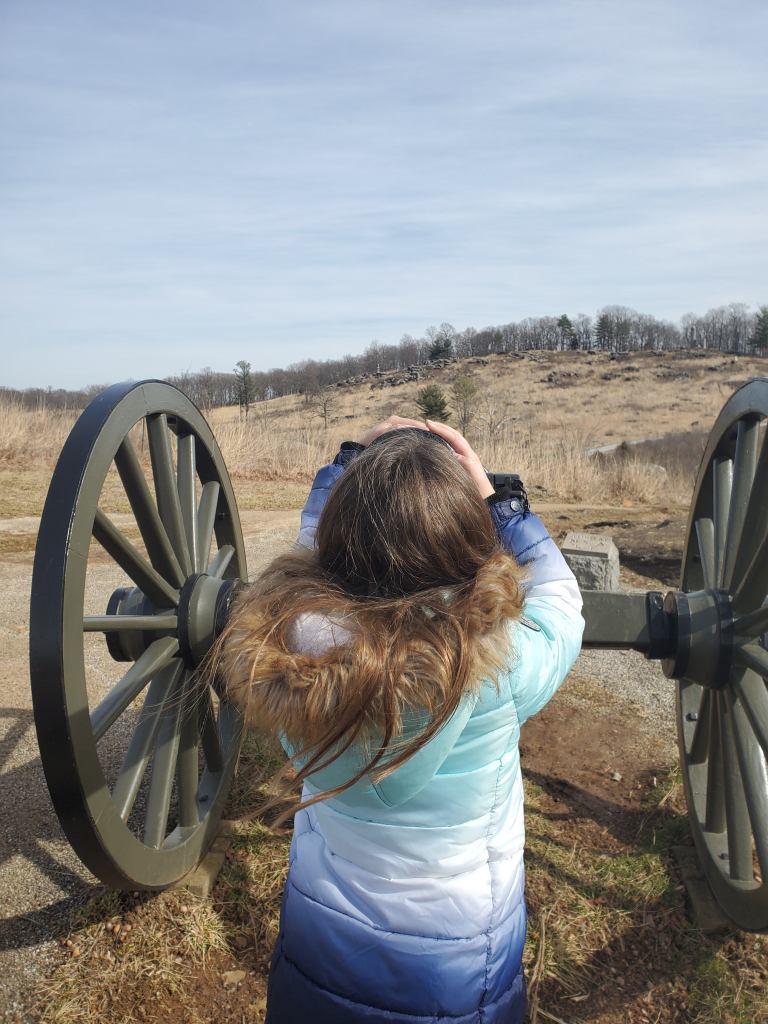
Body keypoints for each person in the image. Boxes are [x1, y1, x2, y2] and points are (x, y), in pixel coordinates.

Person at [220, 415, 584, 1024]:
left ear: (334, 550)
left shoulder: (293, 653)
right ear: (470, 548)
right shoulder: (501, 660)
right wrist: (504, 505)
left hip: (317, 964)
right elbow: (561, 603)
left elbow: (311, 557)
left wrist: (344, 465)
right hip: (459, 975)